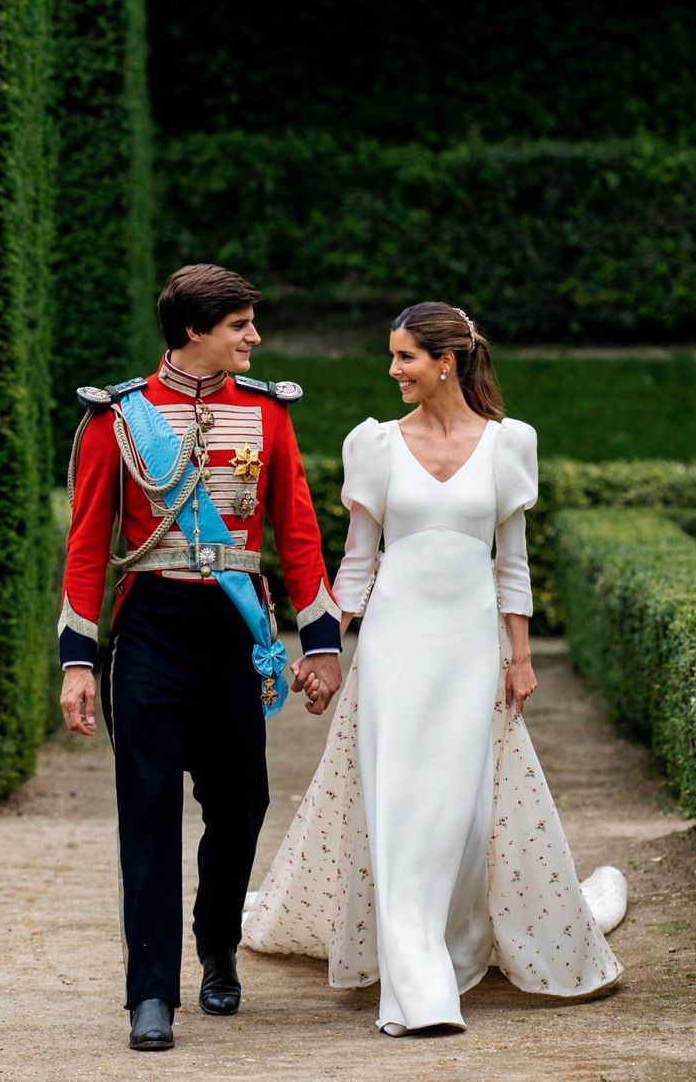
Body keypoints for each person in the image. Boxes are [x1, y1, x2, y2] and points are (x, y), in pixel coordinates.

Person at [242, 302, 624, 1034]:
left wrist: (519, 657)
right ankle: (417, 991)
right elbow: (355, 566)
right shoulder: (375, 446)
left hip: (470, 649)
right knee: (398, 807)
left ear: (446, 360)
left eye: (405, 358)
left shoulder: (512, 444)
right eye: (392, 357)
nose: (392, 371)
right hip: (393, 647)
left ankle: (456, 944)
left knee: (460, 807)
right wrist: (323, 645)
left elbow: (511, 566)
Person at [58, 264, 343, 1051]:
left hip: (232, 630)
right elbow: (88, 545)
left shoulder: (265, 415)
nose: (254, 337)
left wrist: (319, 644)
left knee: (242, 803)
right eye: (240, 325)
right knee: (146, 816)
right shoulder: (119, 417)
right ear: (194, 331)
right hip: (149, 627)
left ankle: (217, 943)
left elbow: (298, 529)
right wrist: (78, 662)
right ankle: (150, 993)